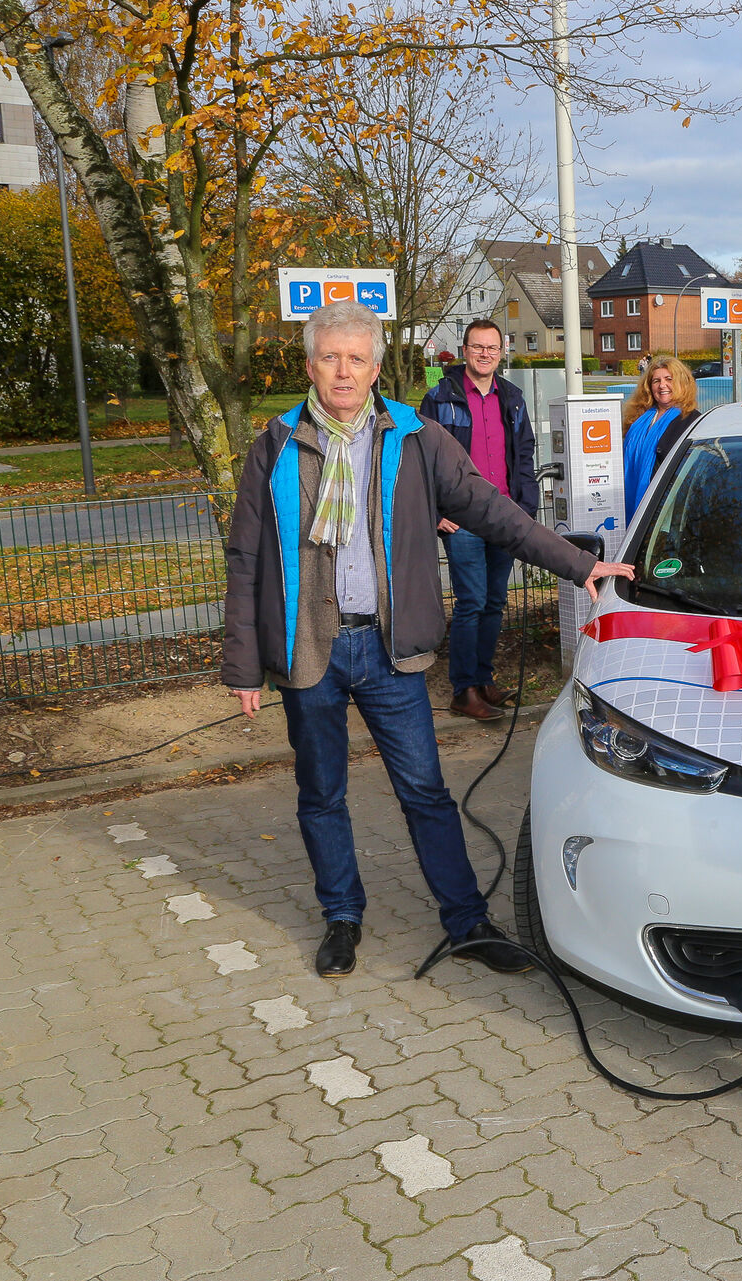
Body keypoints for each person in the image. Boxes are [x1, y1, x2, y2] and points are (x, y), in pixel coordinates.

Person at [222, 300, 633, 979]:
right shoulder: (275, 445)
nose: (344, 371)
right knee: (320, 793)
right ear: (310, 366)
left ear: (377, 366)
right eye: (331, 357)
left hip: (388, 650)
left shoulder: (415, 439)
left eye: (357, 358)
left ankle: (467, 921)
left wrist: (580, 563)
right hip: (308, 652)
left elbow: (495, 511)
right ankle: (342, 916)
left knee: (426, 791)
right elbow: (246, 558)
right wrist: (243, 666)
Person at [416, 320, 538, 722]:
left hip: (504, 514)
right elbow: (420, 460)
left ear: (501, 352)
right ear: (465, 350)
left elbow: (524, 454)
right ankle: (463, 689)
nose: (485, 354)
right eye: (477, 347)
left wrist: (526, 508)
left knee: (494, 602)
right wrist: (436, 511)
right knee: (470, 602)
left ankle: (483, 680)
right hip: (464, 518)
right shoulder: (440, 398)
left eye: (492, 348)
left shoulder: (513, 397)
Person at [621, 356, 700, 522]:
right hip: (631, 500)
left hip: (666, 509)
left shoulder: (692, 421)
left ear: (682, 383)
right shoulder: (638, 420)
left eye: (669, 379)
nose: (662, 385)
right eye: (656, 380)